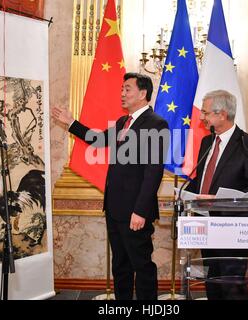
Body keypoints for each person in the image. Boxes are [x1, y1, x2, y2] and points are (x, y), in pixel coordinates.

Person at [52, 72, 169, 300]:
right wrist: (71, 123)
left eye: (127, 89)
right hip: (114, 208)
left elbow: (153, 172)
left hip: (136, 211)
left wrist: (140, 211)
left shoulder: (156, 124)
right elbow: (98, 140)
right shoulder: (123, 122)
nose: (122, 93)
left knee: (142, 266)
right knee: (120, 266)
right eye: (122, 89)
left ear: (143, 93)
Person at [186, 90, 248, 300]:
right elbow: (203, 181)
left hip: (234, 229)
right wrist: (186, 194)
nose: (202, 117)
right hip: (205, 226)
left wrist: (221, 200)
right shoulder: (207, 143)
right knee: (212, 286)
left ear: (222, 114)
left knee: (232, 291)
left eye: (205, 113)